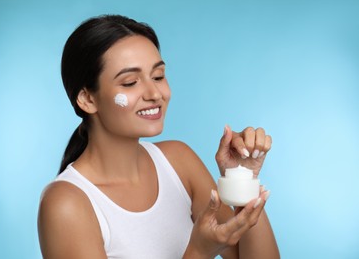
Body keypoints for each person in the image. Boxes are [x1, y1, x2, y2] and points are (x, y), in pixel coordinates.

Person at [37, 14, 280, 259]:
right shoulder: (66, 204)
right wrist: (198, 251)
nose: (155, 93)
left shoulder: (178, 162)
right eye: (130, 82)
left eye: (158, 76)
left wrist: (243, 180)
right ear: (88, 99)